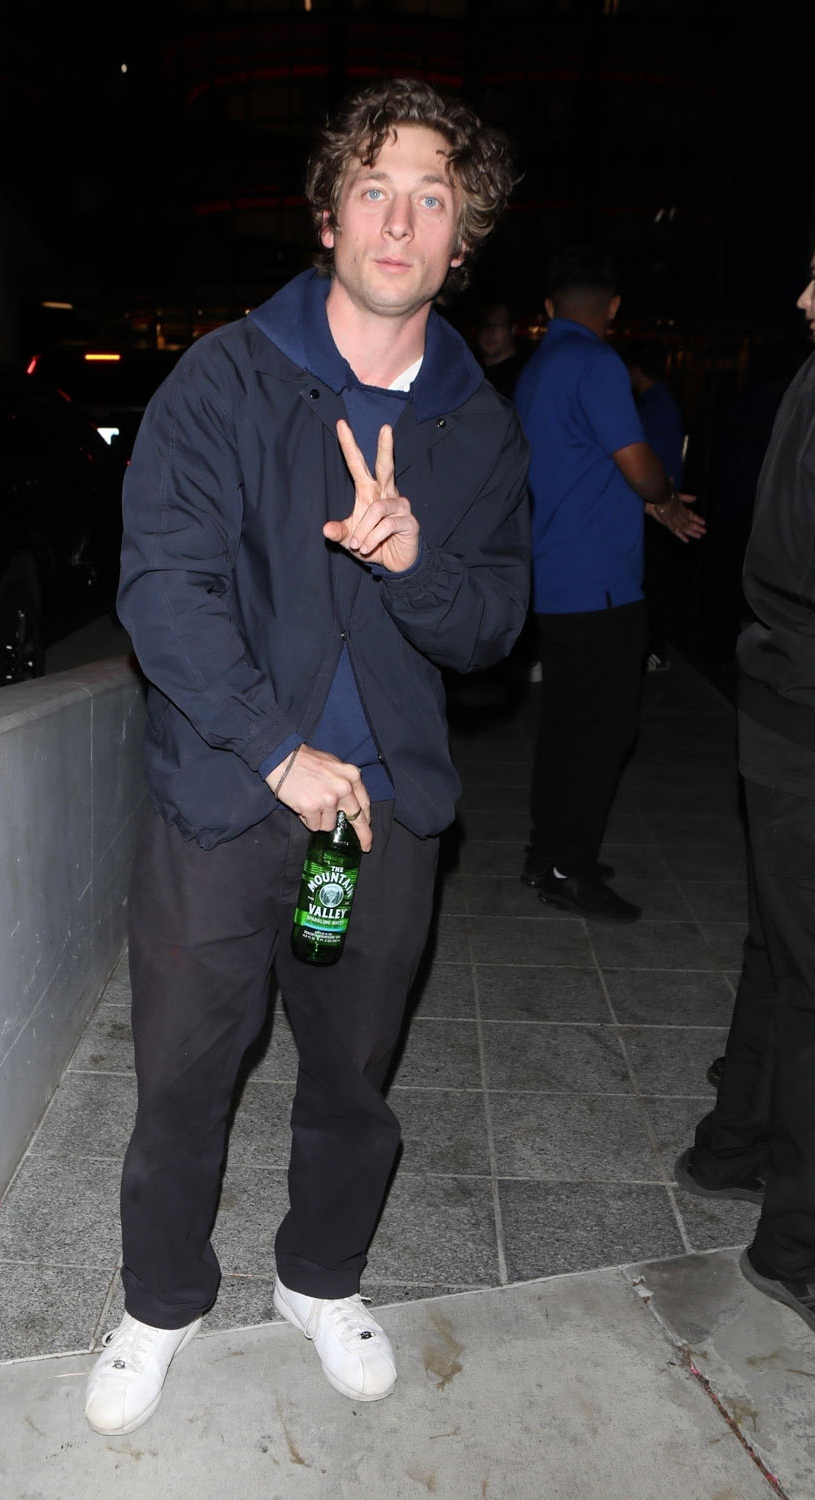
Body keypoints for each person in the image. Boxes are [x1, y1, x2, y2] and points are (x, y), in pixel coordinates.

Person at [83, 77, 531, 1436]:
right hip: (228, 797)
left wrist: (415, 562)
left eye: (433, 199)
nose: (400, 221)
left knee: (352, 1075)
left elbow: (493, 625)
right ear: (329, 215)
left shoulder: (476, 425)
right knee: (183, 1073)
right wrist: (278, 751)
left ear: (463, 239)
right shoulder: (226, 378)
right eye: (374, 189)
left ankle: (320, 1278)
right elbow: (162, 588)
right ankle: (161, 1300)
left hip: (380, 818)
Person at [675, 259, 815, 1334]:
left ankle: (729, 1150)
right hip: (800, 709)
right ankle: (795, 1246)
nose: (802, 300)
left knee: (781, 954)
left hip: (779, 703)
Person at [513, 244, 705, 922]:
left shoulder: (537, 369)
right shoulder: (597, 365)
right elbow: (639, 465)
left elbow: (580, 466)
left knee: (566, 725)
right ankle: (568, 867)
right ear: (613, 307)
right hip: (601, 585)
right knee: (604, 730)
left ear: (549, 306)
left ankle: (549, 853)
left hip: (554, 576)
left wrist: (650, 504)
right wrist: (664, 496)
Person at [628, 338, 687, 672]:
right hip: (655, 503)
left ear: (636, 370)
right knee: (651, 579)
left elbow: (658, 467)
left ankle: (657, 649)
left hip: (657, 506)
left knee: (654, 580)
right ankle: (653, 646)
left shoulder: (655, 407)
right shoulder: (656, 404)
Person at [477, 299, 529, 400]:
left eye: (498, 324)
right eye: (484, 324)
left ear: (513, 329)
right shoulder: (469, 371)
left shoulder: (525, 375)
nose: (490, 331)